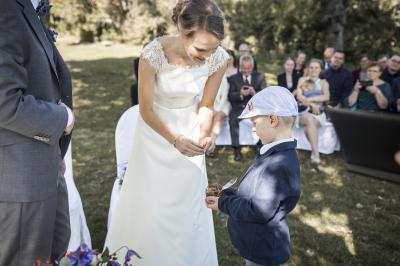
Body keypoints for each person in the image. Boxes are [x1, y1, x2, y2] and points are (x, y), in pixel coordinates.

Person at [104, 1, 229, 265]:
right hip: (155, 135)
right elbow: (146, 109)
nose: (206, 57)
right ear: (183, 33)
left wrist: (205, 134)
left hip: (191, 138)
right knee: (152, 209)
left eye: (212, 50)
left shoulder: (219, 58)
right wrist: (175, 139)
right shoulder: (153, 54)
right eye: (200, 50)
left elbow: (206, 105)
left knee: (188, 211)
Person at [0, 0, 74, 264]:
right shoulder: (5, 9)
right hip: (18, 182)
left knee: (52, 254)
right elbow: (4, 102)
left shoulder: (26, 9)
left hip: (46, 165)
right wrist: (62, 117)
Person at [206, 86, 301, 266]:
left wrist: (222, 203)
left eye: (255, 124)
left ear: (272, 119)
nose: (253, 130)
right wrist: (226, 193)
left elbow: (259, 209)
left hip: (261, 250)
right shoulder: (275, 153)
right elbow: (255, 195)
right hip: (255, 243)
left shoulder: (279, 164)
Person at [228, 54, 266, 161]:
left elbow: (265, 94)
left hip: (255, 107)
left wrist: (255, 93)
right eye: (243, 68)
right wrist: (240, 93)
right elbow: (230, 96)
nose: (246, 70)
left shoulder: (260, 76)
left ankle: (260, 145)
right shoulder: (233, 78)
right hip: (239, 107)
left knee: (264, 119)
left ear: (252, 67)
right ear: (239, 67)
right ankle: (236, 149)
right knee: (233, 120)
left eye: (248, 68)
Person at [296, 59, 330, 163]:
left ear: (321, 70)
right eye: (311, 67)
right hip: (303, 112)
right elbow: (299, 95)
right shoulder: (302, 80)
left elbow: (326, 96)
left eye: (316, 68)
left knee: (309, 126)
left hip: (318, 113)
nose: (313, 70)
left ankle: (314, 153)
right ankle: (316, 153)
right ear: (308, 69)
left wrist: (311, 100)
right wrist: (311, 104)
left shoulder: (323, 83)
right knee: (309, 119)